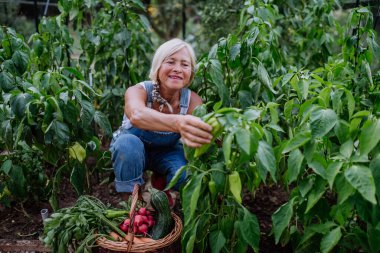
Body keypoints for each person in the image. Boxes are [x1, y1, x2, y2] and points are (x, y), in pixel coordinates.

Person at [109, 38, 213, 206]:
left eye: (185, 65)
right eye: (170, 62)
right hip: (133, 150)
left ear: (191, 74)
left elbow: (199, 137)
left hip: (166, 152)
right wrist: (178, 122)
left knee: (185, 175)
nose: (178, 69)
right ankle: (132, 204)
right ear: (157, 67)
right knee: (126, 144)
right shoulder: (138, 91)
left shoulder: (193, 101)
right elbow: (137, 115)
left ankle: (161, 181)